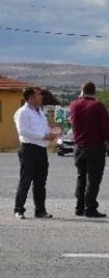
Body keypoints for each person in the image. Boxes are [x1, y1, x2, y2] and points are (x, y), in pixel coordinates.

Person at [69, 82, 109, 218]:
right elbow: (106, 127)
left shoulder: (74, 105)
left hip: (78, 147)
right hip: (95, 147)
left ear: (82, 91)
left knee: (81, 177)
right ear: (94, 92)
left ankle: (79, 206)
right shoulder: (98, 106)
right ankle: (90, 208)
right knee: (93, 179)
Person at [13, 86, 59, 219]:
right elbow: (23, 131)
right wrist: (42, 136)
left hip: (41, 149)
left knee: (40, 181)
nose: (41, 97)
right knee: (26, 180)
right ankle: (19, 209)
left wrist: (51, 134)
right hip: (29, 149)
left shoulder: (40, 112)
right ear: (31, 97)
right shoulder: (22, 112)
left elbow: (43, 129)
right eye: (39, 95)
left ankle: (40, 210)